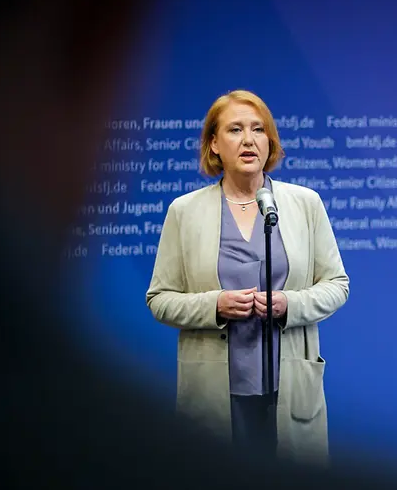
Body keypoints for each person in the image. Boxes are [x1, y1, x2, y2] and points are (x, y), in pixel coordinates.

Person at [146, 89, 349, 466]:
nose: (249, 140)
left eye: (259, 130)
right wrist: (214, 305)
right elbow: (160, 298)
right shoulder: (185, 212)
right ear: (214, 144)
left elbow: (337, 285)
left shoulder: (305, 204)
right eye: (235, 130)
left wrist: (291, 304)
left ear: (270, 142)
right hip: (215, 393)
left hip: (288, 387)